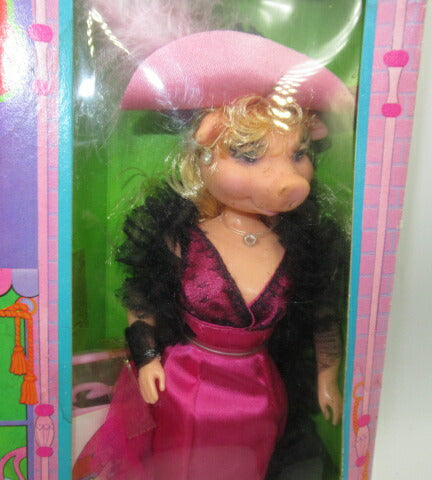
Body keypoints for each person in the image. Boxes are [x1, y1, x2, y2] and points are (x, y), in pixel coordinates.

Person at [74, 30, 352, 480]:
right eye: (249, 156)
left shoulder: (300, 245)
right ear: (201, 157)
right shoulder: (183, 237)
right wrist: (147, 358)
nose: (288, 179)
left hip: (259, 388)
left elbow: (321, 315)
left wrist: (326, 379)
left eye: (298, 154)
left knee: (251, 463)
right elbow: (142, 297)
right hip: (187, 386)